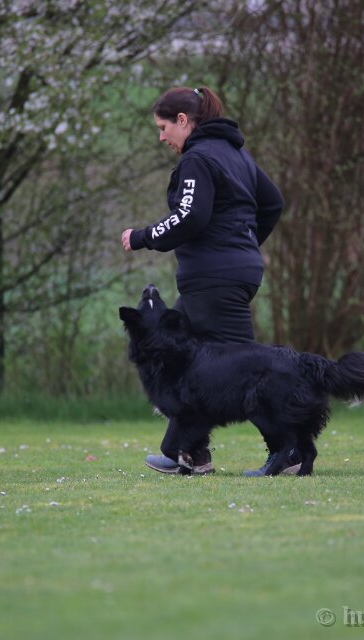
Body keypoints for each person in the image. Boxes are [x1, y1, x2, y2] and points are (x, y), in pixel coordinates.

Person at [121, 86, 293, 477]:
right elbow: (273, 203)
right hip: (226, 273)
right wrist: (242, 245)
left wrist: (143, 236)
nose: (161, 137)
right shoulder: (236, 154)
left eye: (163, 127)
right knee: (180, 357)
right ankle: (187, 452)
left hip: (215, 276)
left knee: (246, 371)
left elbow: (190, 216)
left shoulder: (198, 159)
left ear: (183, 121)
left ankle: (288, 451)